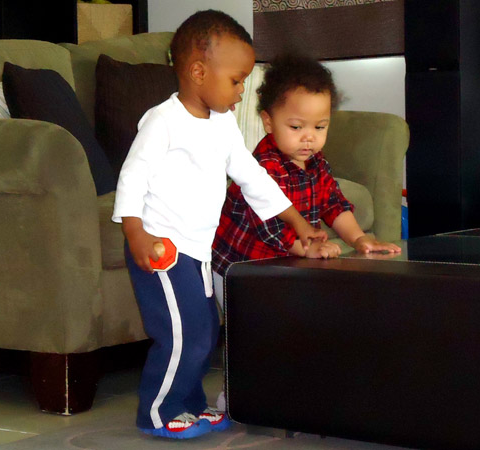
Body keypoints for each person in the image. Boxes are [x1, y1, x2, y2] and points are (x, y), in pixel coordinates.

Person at [112, 11, 327, 440]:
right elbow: (132, 177)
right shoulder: (163, 121)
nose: (241, 90)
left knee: (206, 331)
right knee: (183, 334)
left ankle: (190, 404)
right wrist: (135, 232)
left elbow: (251, 176)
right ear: (198, 72)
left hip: (198, 250)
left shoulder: (223, 124)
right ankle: (157, 412)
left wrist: (297, 221)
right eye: (236, 80)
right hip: (162, 247)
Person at [212, 54, 401, 297]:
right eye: (296, 127)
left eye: (319, 127)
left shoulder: (316, 161)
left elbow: (333, 203)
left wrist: (358, 239)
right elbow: (269, 225)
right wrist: (307, 248)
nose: (309, 137)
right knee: (255, 316)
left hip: (284, 262)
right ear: (268, 122)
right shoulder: (264, 167)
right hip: (239, 266)